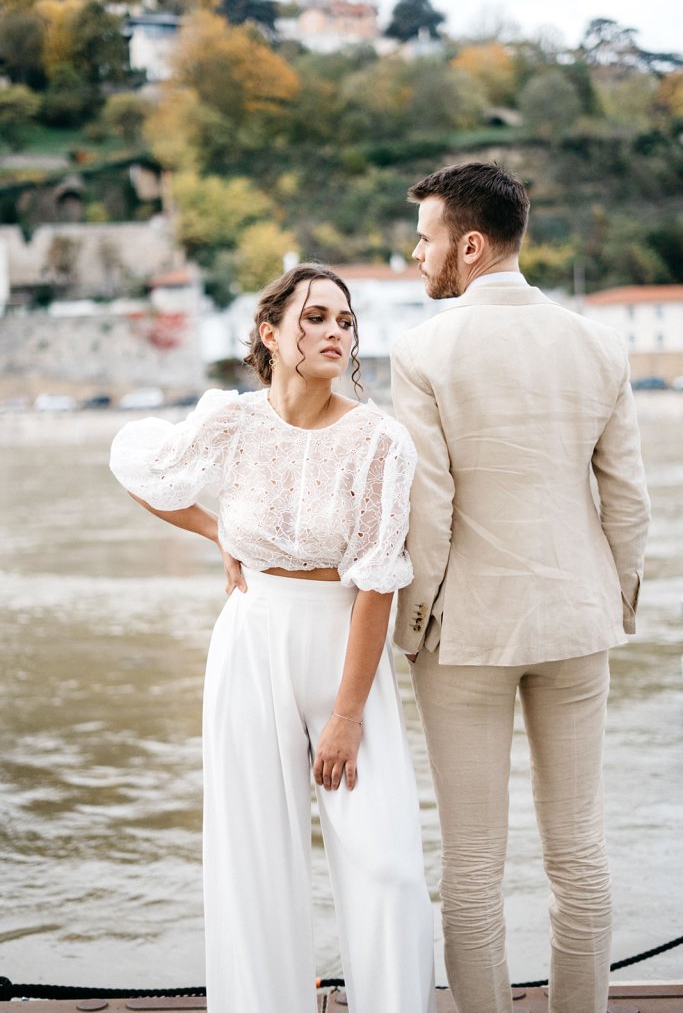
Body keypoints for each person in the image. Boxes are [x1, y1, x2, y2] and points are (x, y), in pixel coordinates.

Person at [109, 263, 435, 1013]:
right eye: (315, 317)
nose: (334, 332)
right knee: (252, 857)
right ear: (270, 333)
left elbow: (378, 581)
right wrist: (216, 530)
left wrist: (347, 716)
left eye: (345, 321)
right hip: (251, 640)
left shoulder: (379, 441)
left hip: (343, 651)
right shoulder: (232, 421)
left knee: (386, 865)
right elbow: (139, 467)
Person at [390, 162, 650, 1013]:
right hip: (576, 622)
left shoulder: (423, 350)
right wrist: (612, 603)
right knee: (579, 851)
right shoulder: (597, 344)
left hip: (466, 633)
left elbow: (429, 508)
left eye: (425, 237)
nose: (416, 253)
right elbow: (627, 500)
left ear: (468, 245)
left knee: (471, 863)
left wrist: (412, 626)